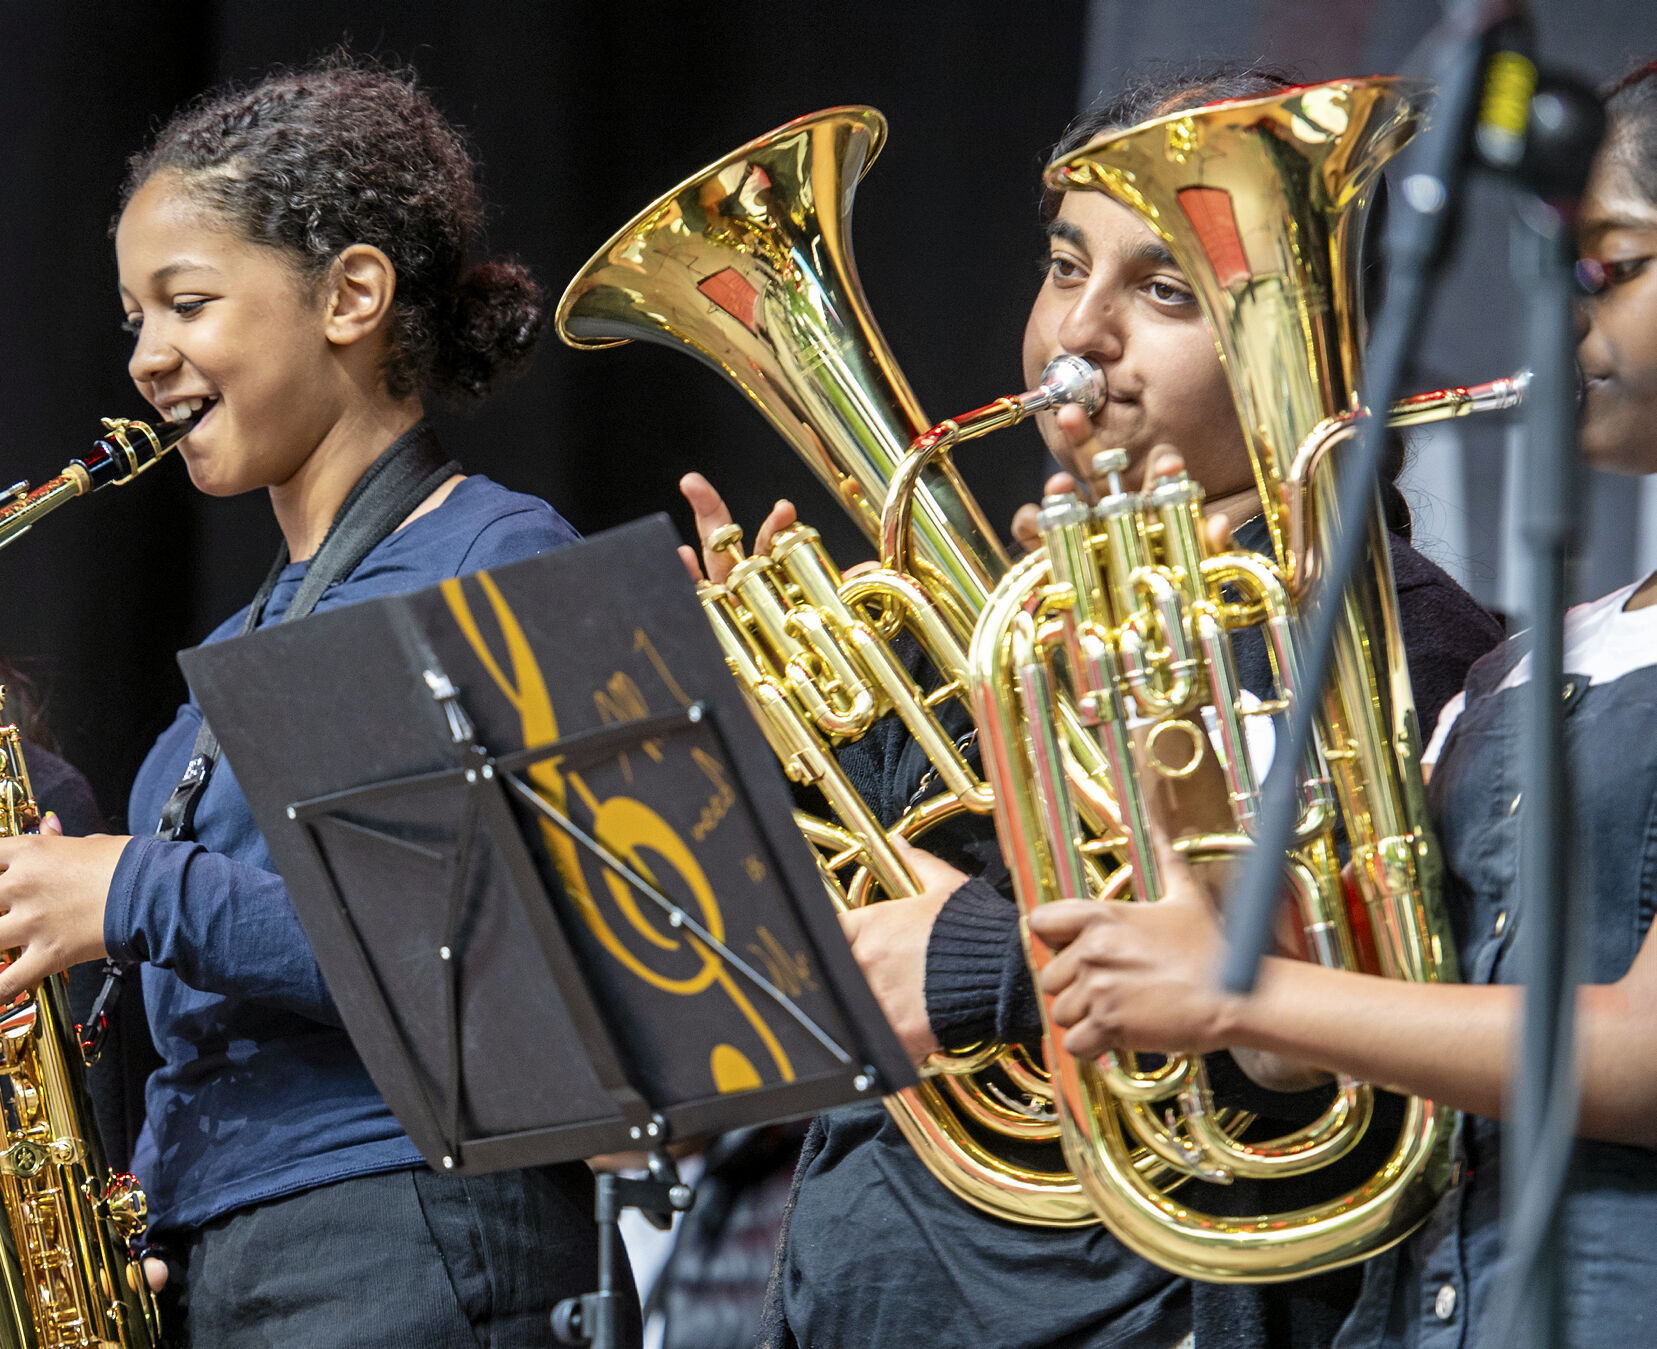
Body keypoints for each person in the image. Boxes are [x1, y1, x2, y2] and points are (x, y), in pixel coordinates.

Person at [679, 66, 1504, 1349]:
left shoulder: (1393, 638)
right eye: (1067, 267)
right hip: (872, 1292)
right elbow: (846, 956)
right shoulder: (1004, 623)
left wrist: (975, 961)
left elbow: (1325, 993)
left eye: (1162, 289)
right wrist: (772, 744)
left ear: (1312, 328)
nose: (1080, 335)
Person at [0, 58, 634, 1347]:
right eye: (133, 317)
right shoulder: (239, 640)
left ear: (351, 293)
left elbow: (534, 959)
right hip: (227, 1254)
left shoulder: (504, 553)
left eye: (187, 302)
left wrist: (130, 891)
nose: (146, 357)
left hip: (416, 1237)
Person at [1030, 60, 1657, 1349]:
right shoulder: (1534, 659)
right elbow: (1309, 1064)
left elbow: (1642, 1055)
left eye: (1615, 265)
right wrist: (1181, 795)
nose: (1565, 313)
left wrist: (1242, 992)